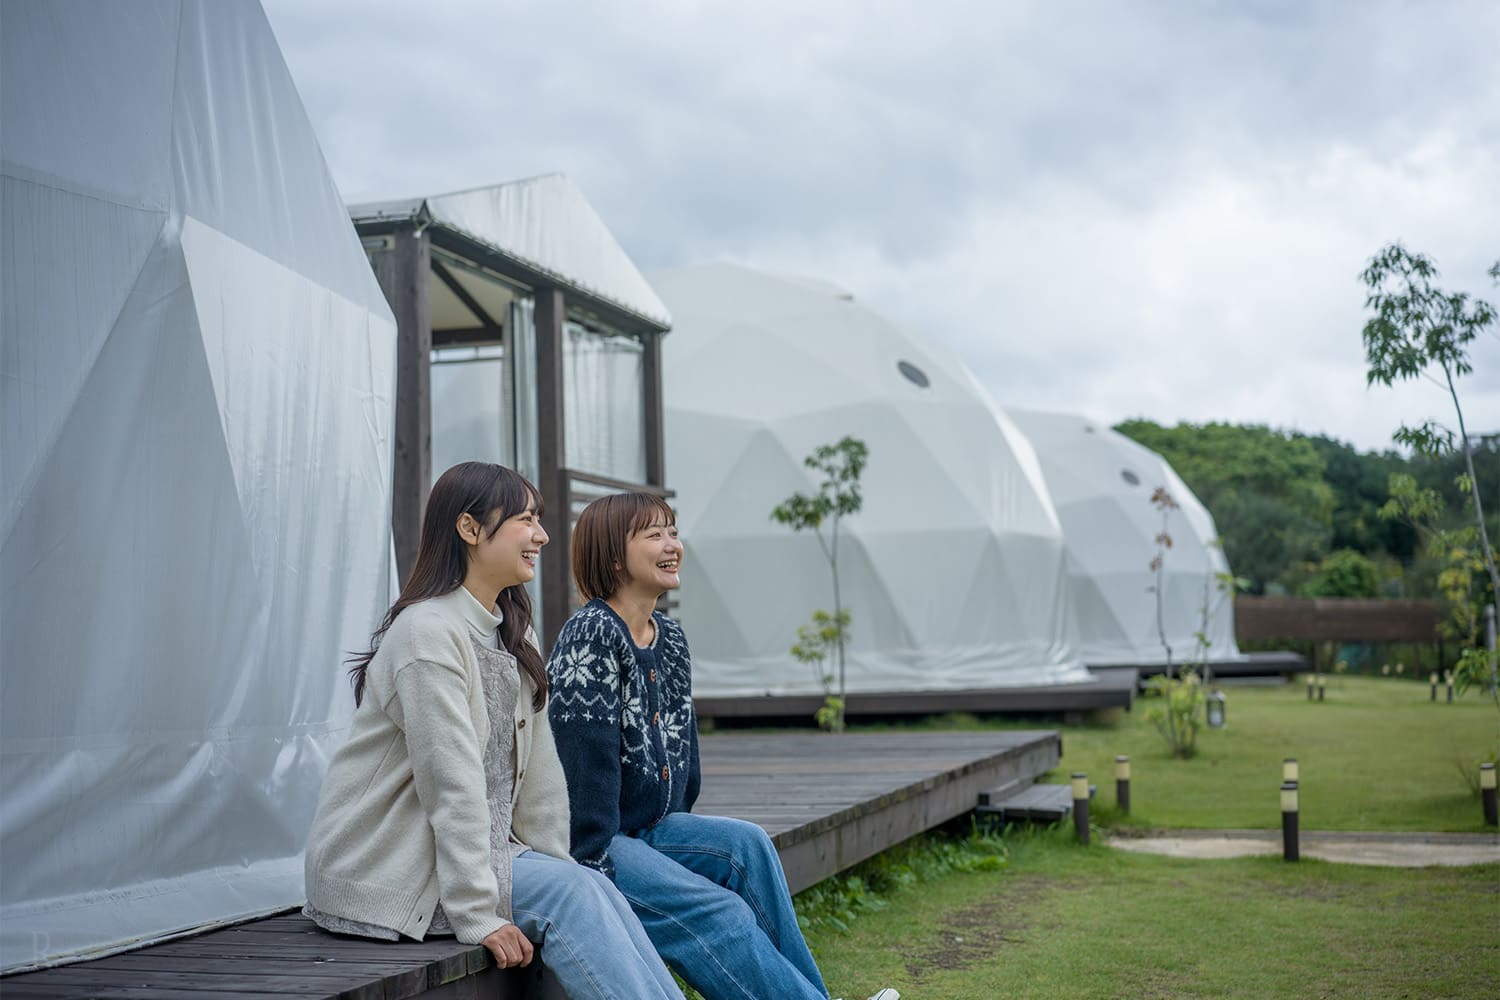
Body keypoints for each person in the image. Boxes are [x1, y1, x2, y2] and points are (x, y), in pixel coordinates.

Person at [303, 463, 681, 1000]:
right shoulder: (427, 635)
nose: (543, 536)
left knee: (588, 884)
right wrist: (479, 914)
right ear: (469, 529)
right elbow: (450, 783)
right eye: (526, 520)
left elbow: (542, 785)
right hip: (387, 870)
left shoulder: (510, 634)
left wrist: (558, 865)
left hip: (470, 858)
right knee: (571, 894)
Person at [546, 492, 898, 1000]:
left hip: (650, 827)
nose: (672, 545)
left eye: (672, 531)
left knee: (748, 845)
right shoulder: (591, 633)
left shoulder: (670, 637)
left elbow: (683, 753)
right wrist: (599, 872)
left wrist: (675, 834)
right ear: (614, 556)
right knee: (718, 910)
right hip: (591, 846)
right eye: (654, 535)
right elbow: (581, 772)